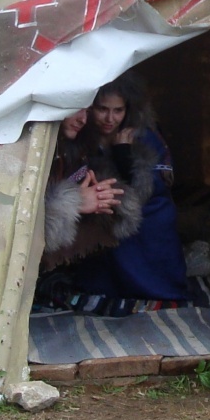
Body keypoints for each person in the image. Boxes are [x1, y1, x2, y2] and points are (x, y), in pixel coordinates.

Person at [69, 73, 189, 302]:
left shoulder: (141, 135)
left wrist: (123, 153)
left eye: (118, 111)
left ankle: (160, 286)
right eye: (102, 109)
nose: (110, 119)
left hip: (145, 208)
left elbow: (154, 186)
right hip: (99, 207)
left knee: (157, 219)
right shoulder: (80, 134)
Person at [42, 108, 127, 270]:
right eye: (75, 109)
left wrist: (100, 193)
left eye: (87, 111)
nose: (83, 119)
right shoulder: (33, 148)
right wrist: (75, 202)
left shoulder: (79, 146)